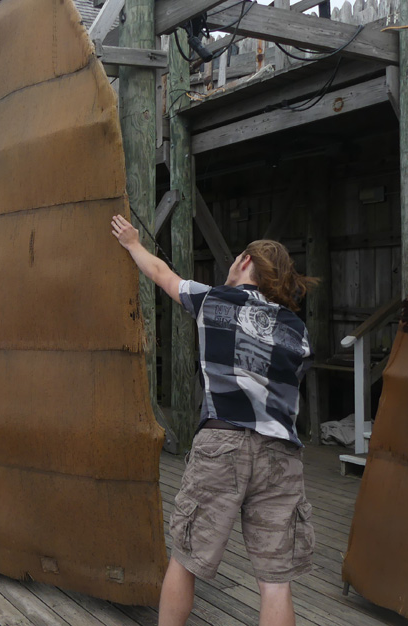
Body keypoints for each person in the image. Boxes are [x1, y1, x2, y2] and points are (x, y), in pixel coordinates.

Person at [110, 214, 317, 626]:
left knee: (186, 559)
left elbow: (162, 274)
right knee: (276, 581)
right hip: (282, 454)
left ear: (243, 262)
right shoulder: (298, 329)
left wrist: (133, 243)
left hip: (222, 443)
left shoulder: (215, 300)